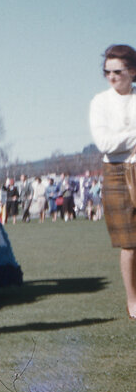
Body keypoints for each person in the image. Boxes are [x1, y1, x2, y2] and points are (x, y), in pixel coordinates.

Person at [88, 43, 136, 319]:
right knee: (129, 243)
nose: (112, 77)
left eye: (117, 71)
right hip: (116, 172)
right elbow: (105, 143)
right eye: (107, 72)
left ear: (132, 71)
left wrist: (125, 138)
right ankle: (133, 299)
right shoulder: (100, 102)